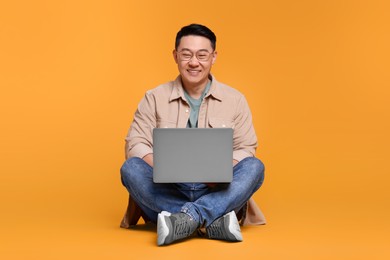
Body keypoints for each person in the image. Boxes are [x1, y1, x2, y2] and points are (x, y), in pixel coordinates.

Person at [120, 24, 265, 246]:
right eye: (186, 55)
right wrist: (167, 167)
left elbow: (246, 148)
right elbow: (136, 144)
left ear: (213, 57)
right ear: (175, 56)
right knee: (130, 169)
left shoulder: (235, 99)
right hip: (168, 186)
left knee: (255, 167)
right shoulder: (154, 97)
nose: (194, 62)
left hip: (216, 187)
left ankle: (185, 219)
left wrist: (221, 171)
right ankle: (213, 220)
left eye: (202, 55)